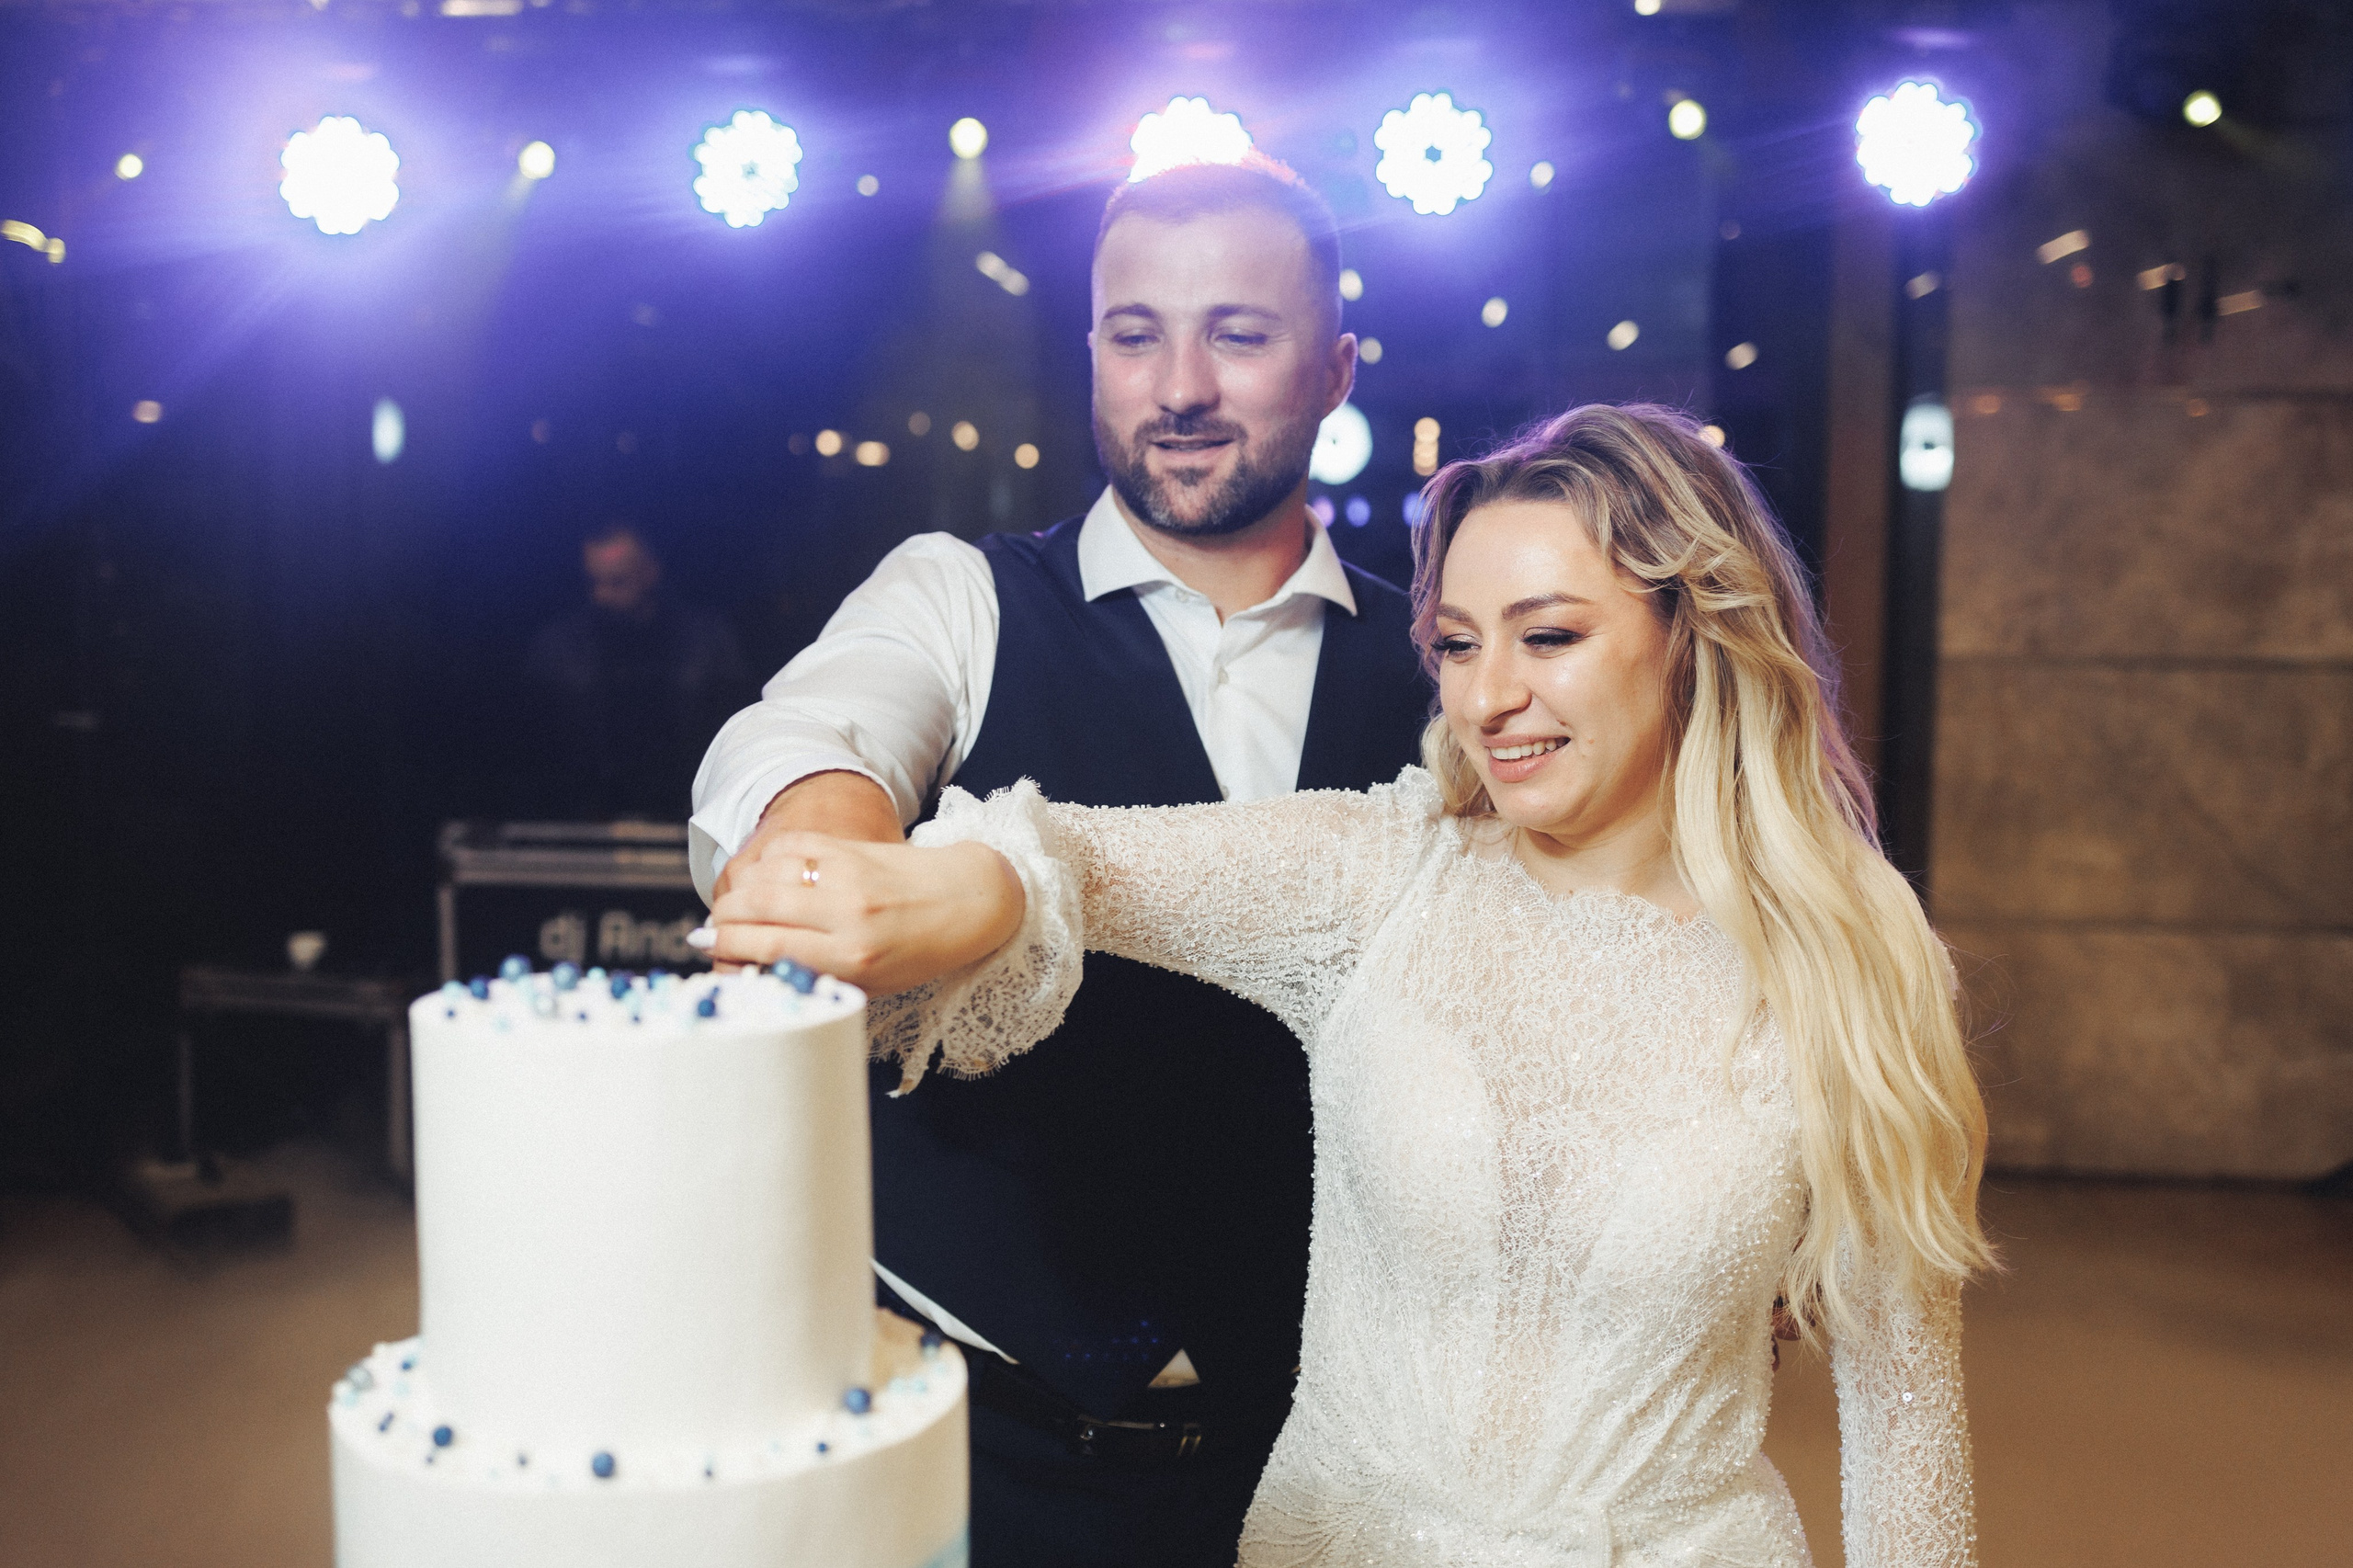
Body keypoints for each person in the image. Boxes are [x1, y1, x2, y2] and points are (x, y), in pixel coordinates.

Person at [710, 404, 1993, 1567]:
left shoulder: (1854, 961)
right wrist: (966, 886)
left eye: (1549, 635)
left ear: (1691, 632)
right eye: (1455, 643)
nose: (1491, 697)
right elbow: (1080, 862)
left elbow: (1906, 1413)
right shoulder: (1384, 872)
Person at [690, 157, 1430, 1566]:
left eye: (1240, 333)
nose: (1180, 385)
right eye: (1135, 333)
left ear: (1336, 369)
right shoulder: (960, 595)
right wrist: (828, 847)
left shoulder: (1445, 669)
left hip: (1347, 1458)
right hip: (985, 1452)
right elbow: (815, 729)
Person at [525, 523, 749, 820]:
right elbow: (537, 756)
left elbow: (735, 746)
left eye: (617, 582)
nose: (601, 596)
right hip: (583, 827)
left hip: (687, 820)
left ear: (650, 572)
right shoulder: (557, 650)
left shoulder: (708, 645)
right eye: (594, 582)